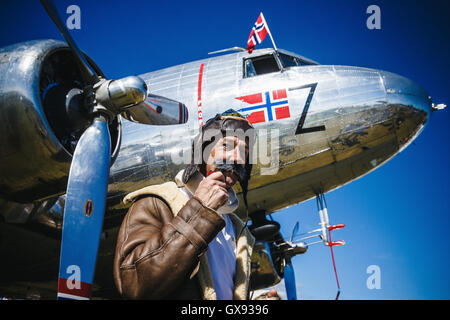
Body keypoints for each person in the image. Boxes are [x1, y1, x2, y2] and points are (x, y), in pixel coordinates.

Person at [113, 110, 261, 299]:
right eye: (227, 146)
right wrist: (199, 211)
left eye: (244, 152)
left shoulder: (239, 231)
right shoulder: (156, 202)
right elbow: (134, 287)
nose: (238, 159)